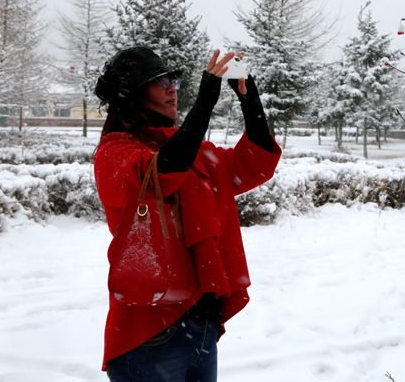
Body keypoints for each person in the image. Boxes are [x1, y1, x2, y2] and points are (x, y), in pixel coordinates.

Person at [93, 46, 281, 381]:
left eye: (175, 80)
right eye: (161, 81)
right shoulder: (117, 154)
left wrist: (248, 97)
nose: (171, 88)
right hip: (149, 333)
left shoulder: (198, 154)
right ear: (133, 93)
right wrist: (204, 102)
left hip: (202, 326)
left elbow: (256, 161)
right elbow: (163, 171)